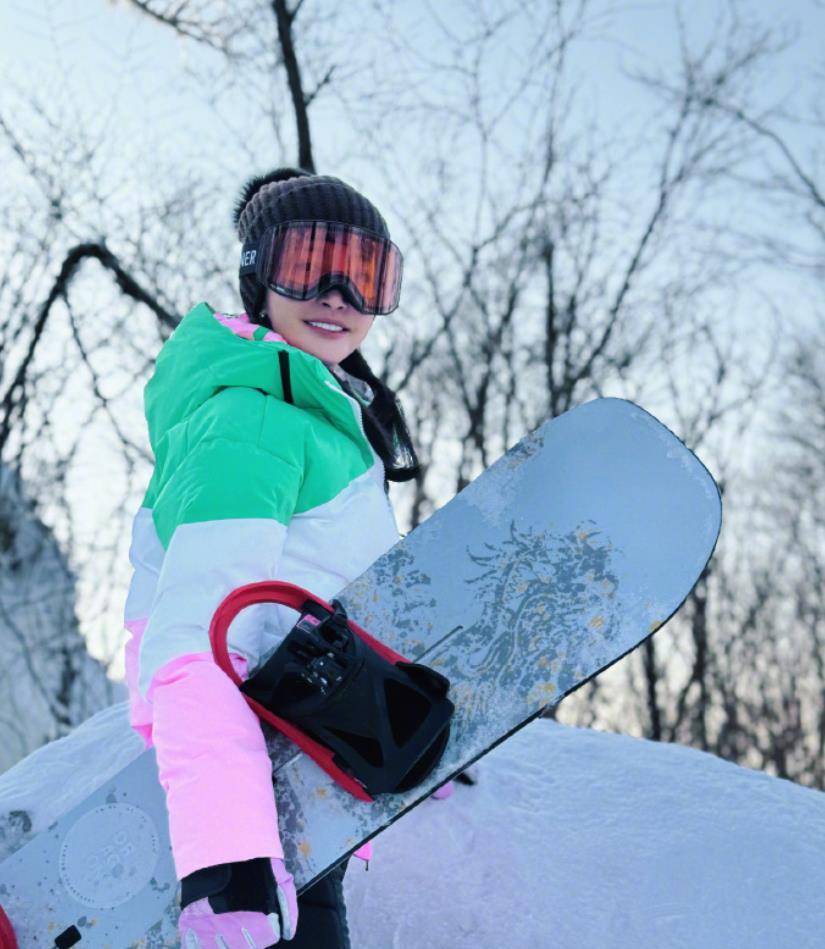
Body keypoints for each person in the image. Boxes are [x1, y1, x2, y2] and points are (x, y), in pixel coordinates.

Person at [122, 167, 423, 948]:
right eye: (305, 266)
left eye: (363, 274)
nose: (336, 296)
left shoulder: (316, 420)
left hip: (301, 743)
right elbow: (191, 645)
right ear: (258, 276)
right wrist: (228, 859)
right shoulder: (249, 422)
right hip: (251, 777)